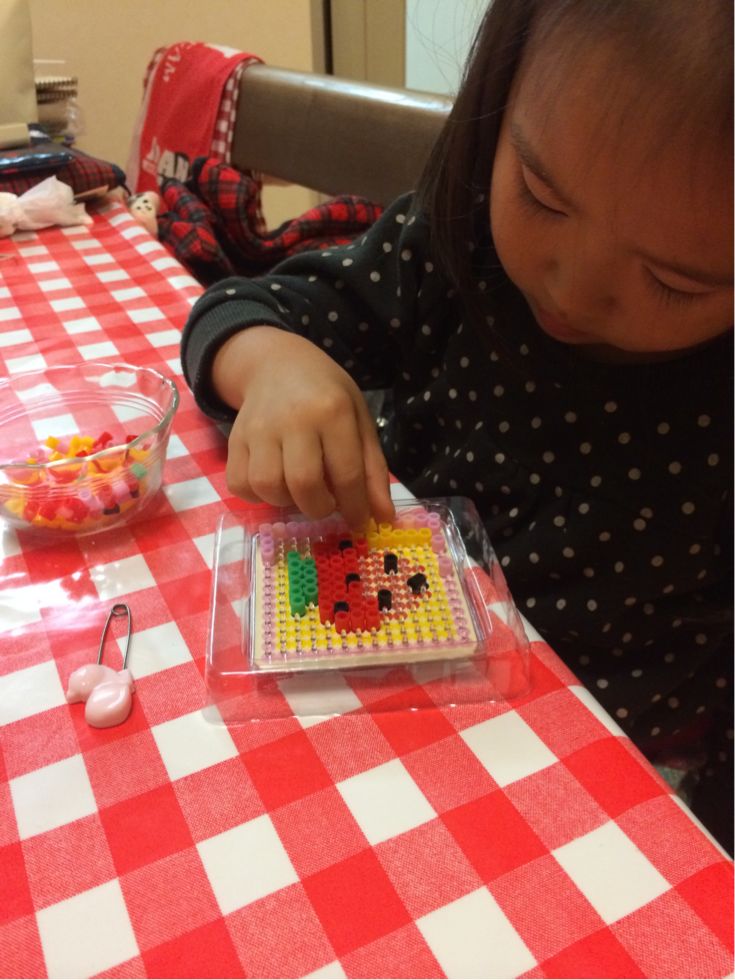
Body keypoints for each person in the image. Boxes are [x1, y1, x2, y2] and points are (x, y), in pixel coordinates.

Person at [181, 0, 733, 850]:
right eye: (542, 198)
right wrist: (272, 364)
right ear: (496, 102)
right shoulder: (451, 242)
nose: (569, 288)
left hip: (610, 775)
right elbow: (241, 306)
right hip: (390, 662)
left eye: (673, 281)